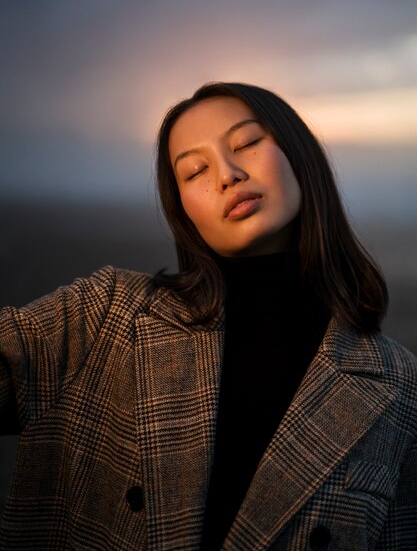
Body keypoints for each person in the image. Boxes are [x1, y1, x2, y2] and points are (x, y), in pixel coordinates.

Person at [0, 82, 416, 550]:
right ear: (184, 211)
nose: (228, 174)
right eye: (195, 170)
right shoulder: (107, 313)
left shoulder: (398, 383)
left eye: (246, 143)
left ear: (300, 155)